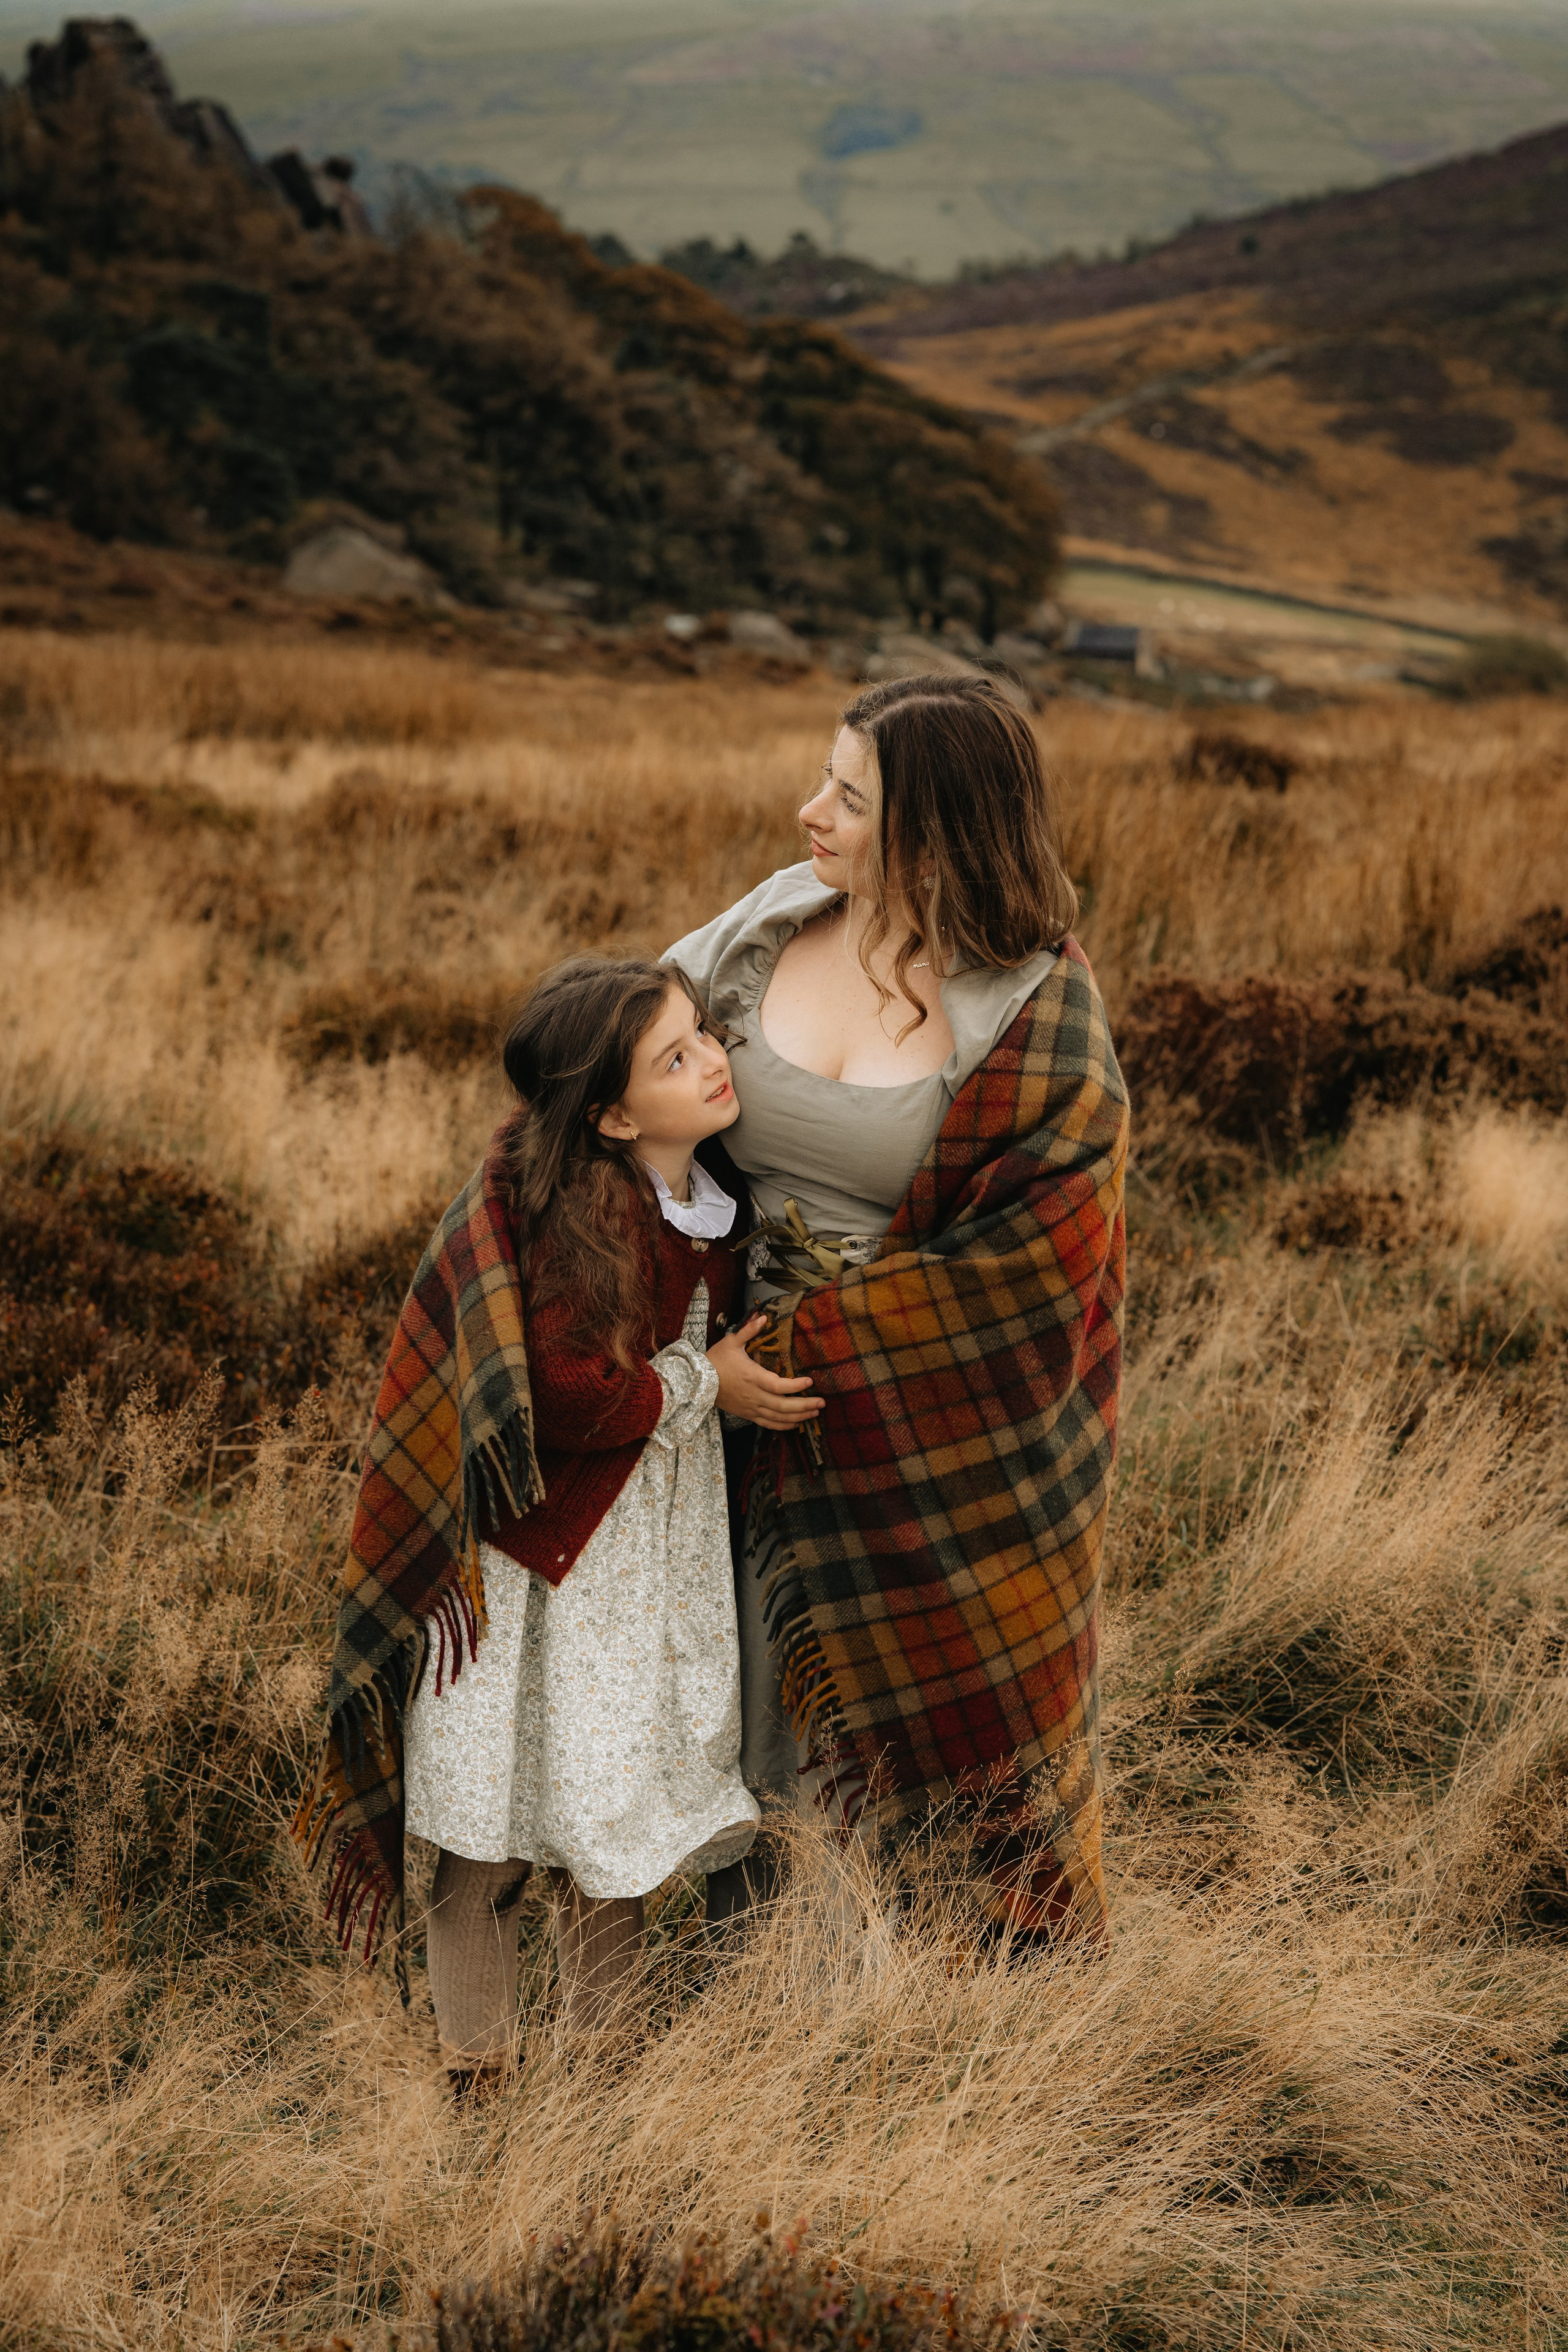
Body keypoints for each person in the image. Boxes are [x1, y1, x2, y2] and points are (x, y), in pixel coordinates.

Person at [294, 956, 816, 2090]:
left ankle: (598, 2100)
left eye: (704, 1034)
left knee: (606, 1840)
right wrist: (700, 1386)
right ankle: (478, 2087)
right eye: (675, 1058)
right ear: (618, 1114)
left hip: (644, 1562)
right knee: (485, 1848)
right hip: (541, 1572)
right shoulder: (588, 1208)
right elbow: (568, 1394)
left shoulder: (708, 1199)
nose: (714, 1060)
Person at [666, 672, 1129, 1942]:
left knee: (881, 1728)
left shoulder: (1032, 1009)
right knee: (738, 1701)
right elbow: (617, 1090)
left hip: (907, 1419)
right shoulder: (768, 924)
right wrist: (692, 1350)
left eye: (850, 798)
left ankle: (893, 2016)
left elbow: (1036, 1266)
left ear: (934, 831)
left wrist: (819, 1350)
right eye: (823, 778)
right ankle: (743, 1991)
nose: (808, 810)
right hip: (708, 1387)